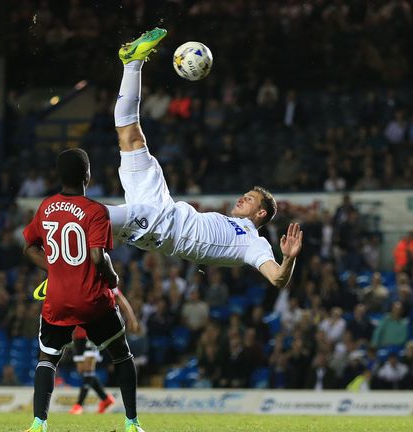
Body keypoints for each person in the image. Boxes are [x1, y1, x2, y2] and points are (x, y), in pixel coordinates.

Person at [108, 28, 302, 288]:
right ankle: (132, 62)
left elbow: (278, 279)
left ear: (262, 212)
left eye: (251, 199)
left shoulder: (254, 244)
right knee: (130, 137)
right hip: (163, 205)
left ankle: (60, 271)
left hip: (159, 227)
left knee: (86, 216)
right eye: (246, 194)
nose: (242, 197)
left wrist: (288, 259)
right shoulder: (229, 222)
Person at [22, 148, 143, 432]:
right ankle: (132, 423)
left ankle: (39, 423)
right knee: (121, 355)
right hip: (92, 300)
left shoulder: (46, 207)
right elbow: (98, 256)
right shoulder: (95, 211)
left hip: (59, 299)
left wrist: (55, 267)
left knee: (48, 359)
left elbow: (29, 247)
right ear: (88, 175)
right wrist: (112, 277)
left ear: (58, 176)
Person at [69, 288, 140, 416]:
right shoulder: (77, 279)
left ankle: (79, 404)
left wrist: (132, 319)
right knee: (82, 370)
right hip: (77, 333)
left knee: (89, 369)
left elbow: (120, 298)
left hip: (93, 331)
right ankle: (105, 399)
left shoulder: (103, 277)